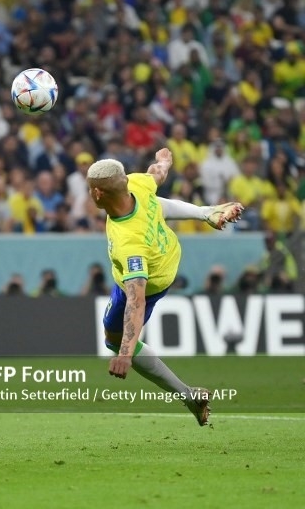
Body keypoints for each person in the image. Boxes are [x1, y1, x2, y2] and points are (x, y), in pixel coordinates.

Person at [86, 148, 243, 426]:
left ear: (98, 194)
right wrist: (165, 162)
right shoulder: (136, 183)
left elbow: (136, 300)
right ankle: (207, 212)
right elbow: (157, 176)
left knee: (114, 338)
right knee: (154, 203)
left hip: (151, 278)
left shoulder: (129, 244)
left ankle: (188, 395)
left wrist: (125, 354)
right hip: (165, 254)